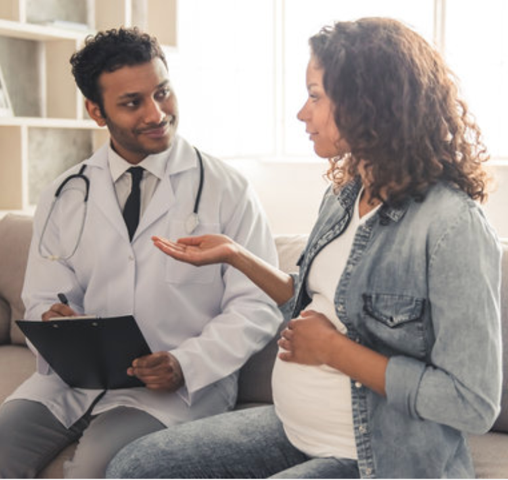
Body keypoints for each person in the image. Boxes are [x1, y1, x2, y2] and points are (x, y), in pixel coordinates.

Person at [106, 17, 503, 479]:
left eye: (315, 96)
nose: (301, 113)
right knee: (135, 467)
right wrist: (235, 255)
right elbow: (320, 299)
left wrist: (334, 351)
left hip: (377, 456)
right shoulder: (344, 196)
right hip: (294, 431)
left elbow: (471, 402)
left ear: (368, 104)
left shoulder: (451, 226)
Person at [0, 27, 282, 478]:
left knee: (94, 469)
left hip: (179, 388)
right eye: (132, 103)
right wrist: (54, 317)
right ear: (96, 111)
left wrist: (185, 363)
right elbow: (41, 296)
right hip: (73, 382)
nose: (156, 113)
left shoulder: (227, 190)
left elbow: (258, 306)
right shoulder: (64, 193)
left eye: (162, 93)